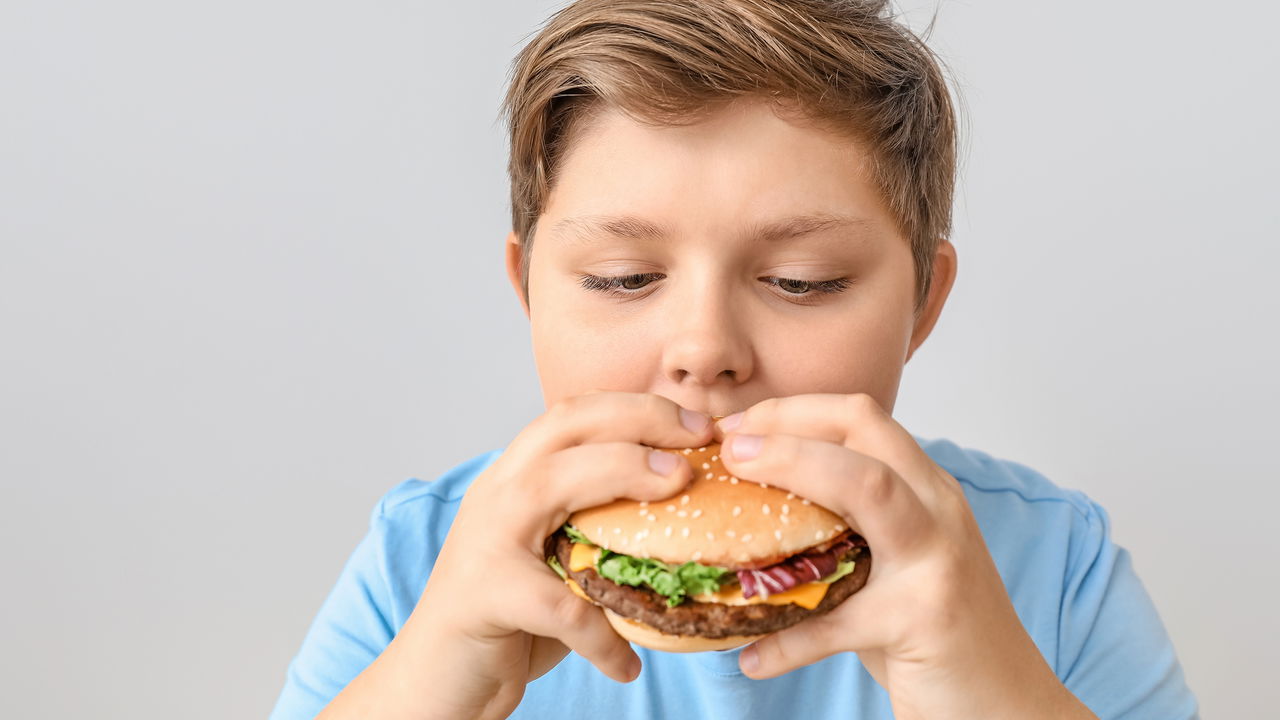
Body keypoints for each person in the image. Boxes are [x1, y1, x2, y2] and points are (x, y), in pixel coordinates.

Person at [269, 1, 1198, 718]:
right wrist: (431, 683)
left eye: (802, 281)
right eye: (624, 277)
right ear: (529, 293)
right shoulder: (424, 561)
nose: (704, 351)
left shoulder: (1054, 567)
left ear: (923, 303)